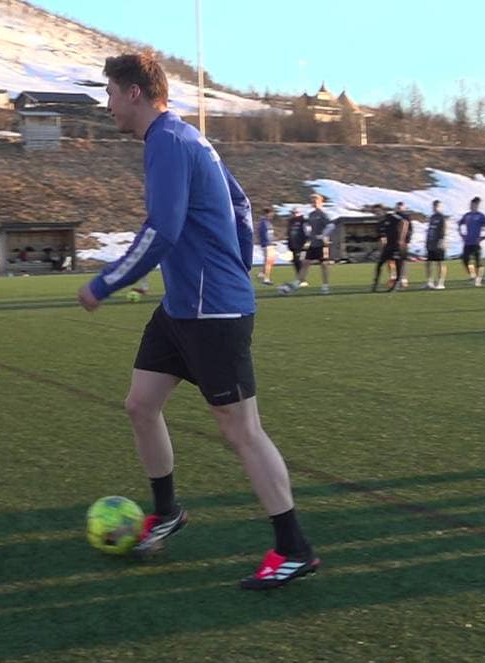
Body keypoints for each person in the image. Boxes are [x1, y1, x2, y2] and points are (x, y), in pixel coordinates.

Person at [77, 52, 319, 590]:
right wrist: (234, 263)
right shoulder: (184, 137)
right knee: (141, 404)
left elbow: (161, 230)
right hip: (183, 306)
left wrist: (105, 283)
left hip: (213, 312)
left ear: (134, 93)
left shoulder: (168, 141)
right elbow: (240, 204)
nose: (107, 103)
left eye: (110, 92)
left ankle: (293, 548)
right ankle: (167, 512)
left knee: (241, 431)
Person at [281, 193, 333, 295]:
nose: (314, 203)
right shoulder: (311, 215)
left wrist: (323, 235)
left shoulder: (323, 214)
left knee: (324, 265)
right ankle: (297, 282)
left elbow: (331, 226)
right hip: (313, 243)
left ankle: (325, 286)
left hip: (322, 244)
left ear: (321, 202)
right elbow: (307, 226)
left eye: (316, 201)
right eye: (312, 201)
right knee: (305, 263)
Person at [371, 202, 409, 292]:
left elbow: (404, 222)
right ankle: (375, 284)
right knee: (379, 264)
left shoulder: (392, 216)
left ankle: (396, 284)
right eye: (375, 212)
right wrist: (382, 246)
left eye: (378, 211)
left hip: (397, 245)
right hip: (388, 246)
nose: (377, 213)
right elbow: (381, 236)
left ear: (383, 210)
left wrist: (401, 239)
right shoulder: (380, 223)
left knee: (398, 264)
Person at [458, 196, 485, 286]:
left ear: (477, 205)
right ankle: (472, 275)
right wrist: (462, 234)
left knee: (478, 262)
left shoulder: (480, 216)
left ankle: (479, 280)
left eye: (474, 204)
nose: (471, 206)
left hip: (476, 243)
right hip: (467, 242)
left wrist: (484, 237)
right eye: (471, 204)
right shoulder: (467, 215)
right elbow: (459, 224)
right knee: (465, 259)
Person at [424, 200, 448, 289]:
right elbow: (430, 230)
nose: (435, 208)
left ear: (440, 207)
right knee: (428, 263)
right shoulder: (432, 217)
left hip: (439, 243)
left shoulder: (441, 217)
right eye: (434, 206)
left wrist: (441, 241)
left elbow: (444, 230)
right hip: (431, 243)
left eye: (437, 206)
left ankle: (441, 283)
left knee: (440, 262)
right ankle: (429, 282)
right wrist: (427, 241)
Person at [285, 208, 309, 283]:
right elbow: (289, 233)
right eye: (293, 212)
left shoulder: (303, 221)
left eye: (295, 212)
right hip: (294, 245)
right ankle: (299, 278)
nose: (294, 214)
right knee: (296, 262)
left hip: (301, 245)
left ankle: (302, 279)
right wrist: (289, 243)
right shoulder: (291, 221)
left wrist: (307, 242)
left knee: (300, 261)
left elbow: (307, 232)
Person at [255, 207, 276, 285]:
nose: (272, 215)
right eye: (271, 214)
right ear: (267, 213)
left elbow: (270, 234)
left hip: (270, 244)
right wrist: (265, 243)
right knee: (268, 261)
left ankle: (261, 274)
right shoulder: (263, 223)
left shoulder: (268, 222)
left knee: (271, 260)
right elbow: (261, 234)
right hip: (266, 245)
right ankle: (266, 279)